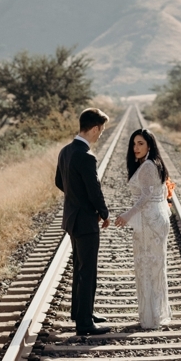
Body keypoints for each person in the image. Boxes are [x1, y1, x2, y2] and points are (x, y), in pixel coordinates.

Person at [55, 108, 112, 336]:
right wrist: (103, 212)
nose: (101, 135)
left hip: (71, 218)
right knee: (87, 269)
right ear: (96, 128)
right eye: (101, 130)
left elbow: (60, 182)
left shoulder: (66, 151)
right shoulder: (86, 156)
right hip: (86, 221)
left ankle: (81, 312)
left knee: (80, 266)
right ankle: (85, 324)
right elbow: (94, 190)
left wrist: (75, 200)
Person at [114, 129, 172, 329]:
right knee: (153, 267)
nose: (136, 148)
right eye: (134, 144)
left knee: (148, 267)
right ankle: (153, 315)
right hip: (153, 219)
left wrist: (127, 215)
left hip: (149, 222)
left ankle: (152, 317)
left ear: (149, 145)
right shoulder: (152, 163)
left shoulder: (148, 165)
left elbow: (145, 196)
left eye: (140, 144)